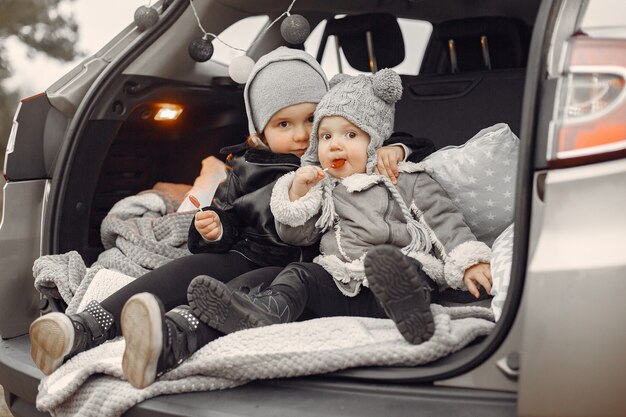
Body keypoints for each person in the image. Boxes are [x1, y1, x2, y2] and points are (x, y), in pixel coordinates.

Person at [28, 48, 421, 378]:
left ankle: (166, 340)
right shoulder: (246, 166)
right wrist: (215, 229)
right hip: (244, 250)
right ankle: (84, 327)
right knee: (182, 272)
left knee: (238, 292)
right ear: (259, 133)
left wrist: (397, 150)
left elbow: (392, 137)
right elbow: (227, 218)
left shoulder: (339, 152)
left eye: (311, 119)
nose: (302, 134)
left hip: (300, 264)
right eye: (284, 123)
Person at [119, 68, 491, 389]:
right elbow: (296, 234)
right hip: (336, 278)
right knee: (298, 275)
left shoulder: (399, 176)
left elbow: (442, 219)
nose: (326, 142)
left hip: (397, 266)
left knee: (398, 267)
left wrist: (468, 260)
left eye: (347, 134)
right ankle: (263, 312)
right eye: (326, 136)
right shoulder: (313, 184)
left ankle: (410, 311)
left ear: (374, 139)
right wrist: (296, 195)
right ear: (261, 131)